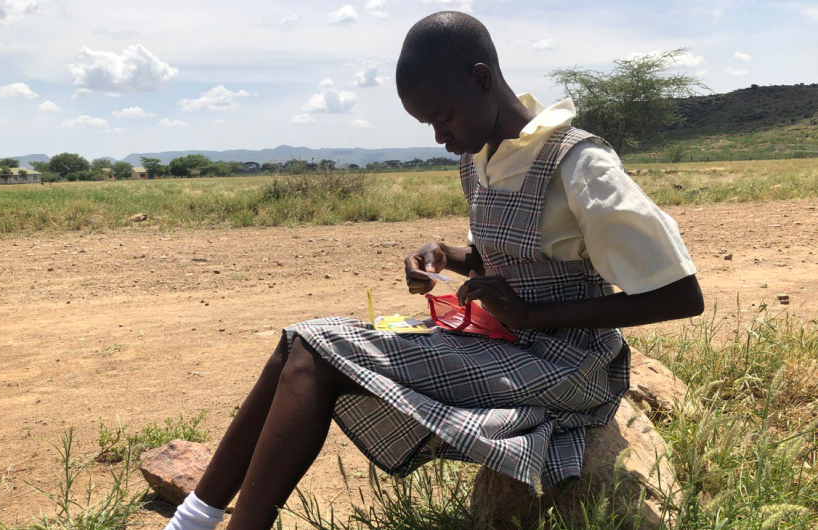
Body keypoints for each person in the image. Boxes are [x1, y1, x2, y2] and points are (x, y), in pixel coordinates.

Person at [162, 10, 704, 530]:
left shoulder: (580, 165)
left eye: (443, 117)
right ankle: (194, 520)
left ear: (481, 79)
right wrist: (443, 253)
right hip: (508, 341)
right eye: (428, 124)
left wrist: (536, 316)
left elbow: (681, 295)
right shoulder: (480, 159)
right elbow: (508, 259)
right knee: (295, 346)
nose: (440, 138)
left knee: (314, 355)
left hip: (569, 363)